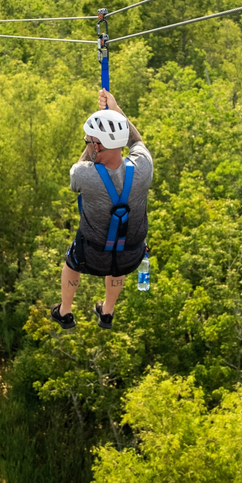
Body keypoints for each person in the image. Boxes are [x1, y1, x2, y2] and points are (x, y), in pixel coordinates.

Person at [51, 89, 153, 331]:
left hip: (91, 253)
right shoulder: (144, 167)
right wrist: (116, 113)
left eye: (88, 141)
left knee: (71, 262)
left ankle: (65, 311)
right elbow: (136, 141)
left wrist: (93, 142)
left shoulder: (83, 175)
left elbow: (80, 168)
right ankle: (107, 311)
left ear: (96, 145)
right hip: (131, 255)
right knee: (118, 262)